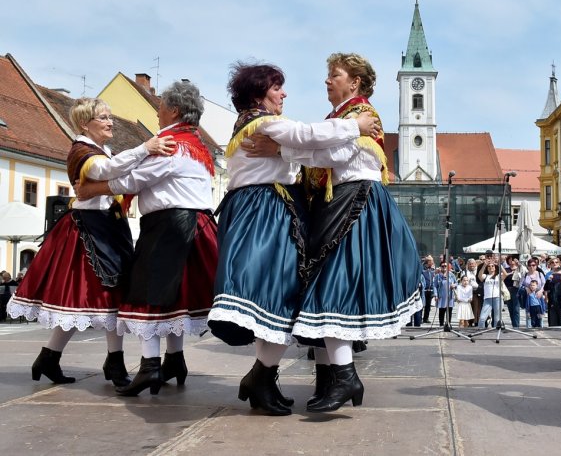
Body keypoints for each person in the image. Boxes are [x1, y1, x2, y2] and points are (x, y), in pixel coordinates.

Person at [205, 62, 377, 416]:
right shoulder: (262, 122)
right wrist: (354, 127)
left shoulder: (256, 124)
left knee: (283, 299)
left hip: (273, 210)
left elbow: (304, 148)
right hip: (265, 212)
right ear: (257, 93)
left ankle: (261, 379)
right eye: (276, 88)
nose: (284, 94)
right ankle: (267, 378)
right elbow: (306, 134)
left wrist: (284, 155)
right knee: (277, 294)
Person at [260, 53, 422, 413]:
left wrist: (284, 151)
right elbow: (324, 147)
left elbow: (334, 154)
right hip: (336, 204)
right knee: (324, 287)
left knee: (332, 288)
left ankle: (344, 376)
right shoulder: (342, 117)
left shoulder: (361, 114)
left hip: (354, 203)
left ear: (355, 82)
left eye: (334, 75)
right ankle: (330, 379)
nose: (327, 81)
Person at [7, 98, 174, 385]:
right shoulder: (82, 151)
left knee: (103, 299)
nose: (110, 122)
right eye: (103, 117)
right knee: (99, 298)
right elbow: (106, 172)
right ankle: (111, 363)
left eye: (110, 116)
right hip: (88, 231)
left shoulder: (101, 150)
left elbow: (117, 172)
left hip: (108, 227)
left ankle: (52, 357)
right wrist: (144, 148)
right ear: (85, 123)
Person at [75, 81, 218, 397]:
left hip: (171, 226)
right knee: (175, 298)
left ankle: (150, 367)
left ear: (175, 110)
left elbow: (138, 178)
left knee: (145, 296)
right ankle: (175, 361)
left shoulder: (172, 143)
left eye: (162, 106)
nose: (157, 112)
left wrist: (93, 190)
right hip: (197, 225)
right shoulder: (197, 145)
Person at [476, 261, 502, 328]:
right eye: (489, 266)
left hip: (497, 298)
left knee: (497, 319)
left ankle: (496, 333)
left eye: (492, 266)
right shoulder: (485, 276)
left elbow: (505, 274)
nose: (491, 267)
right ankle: (480, 332)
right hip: (487, 299)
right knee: (482, 318)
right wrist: (484, 265)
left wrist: (499, 265)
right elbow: (479, 276)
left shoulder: (498, 276)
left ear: (495, 268)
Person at [432, 262, 457, 326]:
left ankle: (448, 324)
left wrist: (454, 285)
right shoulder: (437, 276)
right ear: (440, 267)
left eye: (445, 266)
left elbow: (456, 283)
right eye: (442, 266)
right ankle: (441, 324)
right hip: (441, 296)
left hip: (449, 296)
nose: (444, 267)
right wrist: (436, 295)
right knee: (441, 311)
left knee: (449, 311)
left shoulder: (451, 275)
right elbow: (435, 286)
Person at [421, 256, 436, 323]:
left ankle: (425, 318)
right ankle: (420, 318)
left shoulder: (432, 269)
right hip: (424, 290)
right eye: (432, 261)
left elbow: (433, 279)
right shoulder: (422, 268)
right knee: (422, 305)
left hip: (430, 290)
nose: (433, 262)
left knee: (428, 305)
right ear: (428, 262)